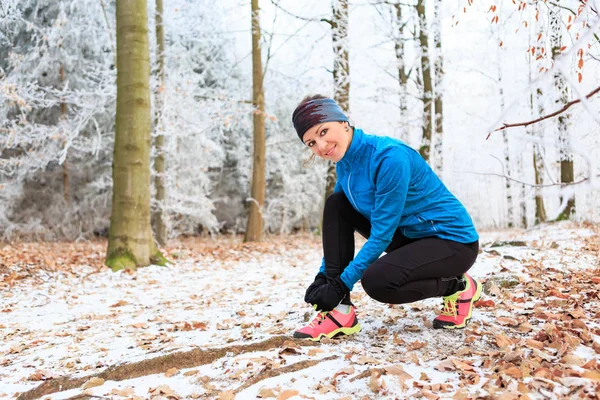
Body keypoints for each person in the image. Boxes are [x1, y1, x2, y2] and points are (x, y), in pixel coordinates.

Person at [291, 95, 481, 341]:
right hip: (410, 238)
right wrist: (324, 277)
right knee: (336, 204)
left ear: (344, 122)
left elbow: (382, 233)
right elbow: (336, 223)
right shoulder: (344, 165)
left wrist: (341, 284)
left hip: (452, 242)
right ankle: (340, 311)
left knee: (378, 282)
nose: (321, 145)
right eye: (311, 143)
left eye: (323, 131)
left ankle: (458, 286)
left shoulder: (389, 157)